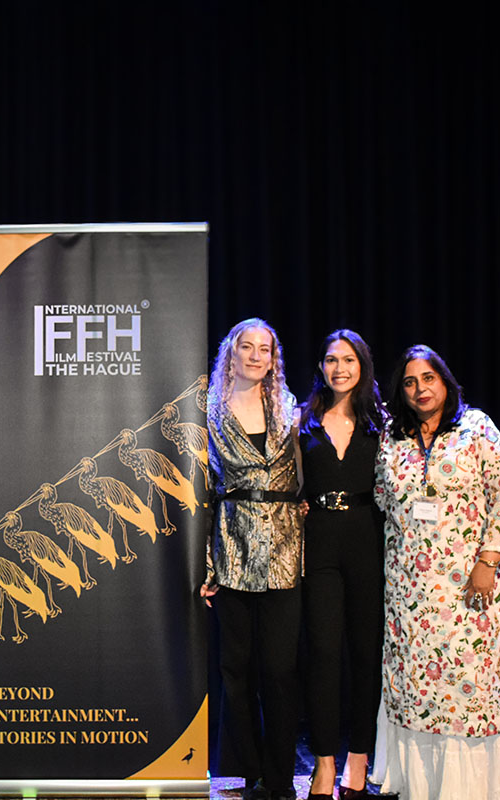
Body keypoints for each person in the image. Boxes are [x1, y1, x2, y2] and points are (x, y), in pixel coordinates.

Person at [371, 345, 500, 800]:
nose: (420, 389)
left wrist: (489, 561)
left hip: (468, 584)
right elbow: (382, 497)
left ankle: (467, 788)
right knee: (415, 686)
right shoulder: (393, 437)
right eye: (409, 382)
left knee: (467, 684)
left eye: (428, 378)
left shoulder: (477, 429)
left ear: (445, 381)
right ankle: (419, 784)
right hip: (409, 590)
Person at [201, 318, 304, 800]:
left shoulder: (288, 406)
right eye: (248, 347)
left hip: (284, 550)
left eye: (266, 349)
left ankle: (280, 778)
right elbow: (201, 490)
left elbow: (305, 471)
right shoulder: (209, 411)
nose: (257, 356)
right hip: (233, 547)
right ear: (232, 353)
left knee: (279, 670)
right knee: (236, 669)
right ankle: (247, 772)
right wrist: (206, 565)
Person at [297, 330, 387, 799]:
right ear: (321, 367)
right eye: (331, 360)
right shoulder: (303, 420)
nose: (339, 368)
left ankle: (358, 759)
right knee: (323, 654)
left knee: (365, 655)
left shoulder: (382, 423)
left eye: (348, 360)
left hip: (367, 541)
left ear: (362, 366)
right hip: (320, 543)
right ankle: (324, 763)